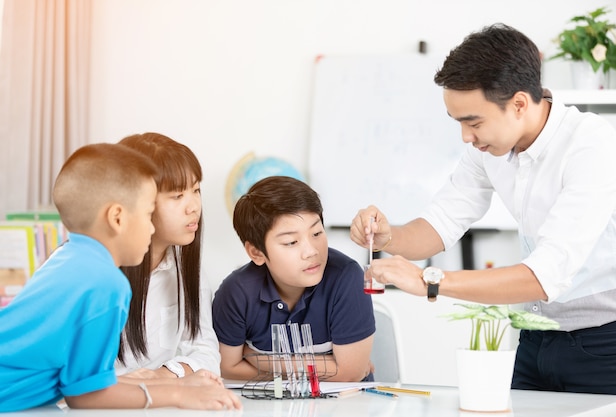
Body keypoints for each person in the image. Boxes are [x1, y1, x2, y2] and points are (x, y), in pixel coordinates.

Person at [350, 23, 616, 395]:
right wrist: (391, 236)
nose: (466, 137)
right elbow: (441, 222)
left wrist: (430, 282)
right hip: (534, 339)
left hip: (609, 346)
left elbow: (545, 275)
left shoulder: (590, 146)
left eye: (473, 122)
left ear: (518, 104)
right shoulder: (490, 150)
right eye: (459, 123)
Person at [0, 143, 241, 411]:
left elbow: (85, 383)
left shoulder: (68, 262)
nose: (151, 228)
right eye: (149, 215)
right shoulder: (106, 282)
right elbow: (85, 395)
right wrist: (178, 394)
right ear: (117, 218)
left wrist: (174, 384)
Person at [212, 176, 376, 382]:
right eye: (291, 242)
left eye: (317, 233)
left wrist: (255, 358)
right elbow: (226, 368)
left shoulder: (347, 278)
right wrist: (329, 369)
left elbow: (349, 374)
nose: (311, 251)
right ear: (256, 253)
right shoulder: (236, 292)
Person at [115, 132, 221, 381]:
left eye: (195, 190)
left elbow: (205, 350)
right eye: (177, 196)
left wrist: (164, 376)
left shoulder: (183, 268)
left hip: (153, 400)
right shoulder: (95, 270)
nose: (193, 206)